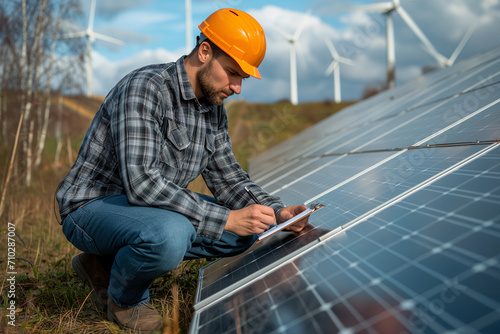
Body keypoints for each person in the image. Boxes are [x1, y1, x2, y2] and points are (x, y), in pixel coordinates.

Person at [56, 8, 308, 333]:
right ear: (205, 51)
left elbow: (229, 178)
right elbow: (143, 183)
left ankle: (103, 264)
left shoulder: (213, 111)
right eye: (232, 72)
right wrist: (226, 219)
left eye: (242, 78)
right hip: (92, 208)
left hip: (149, 212)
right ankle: (124, 300)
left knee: (251, 228)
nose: (237, 87)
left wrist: (276, 213)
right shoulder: (145, 88)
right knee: (171, 235)